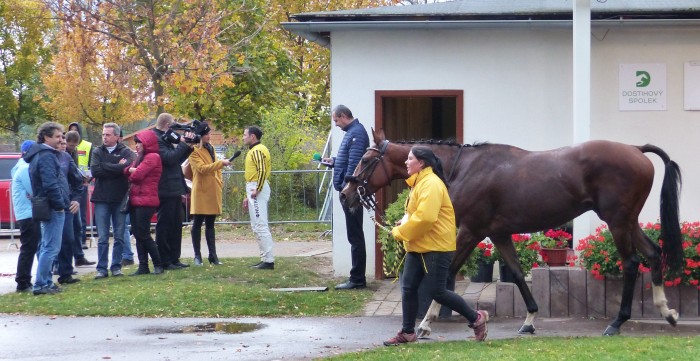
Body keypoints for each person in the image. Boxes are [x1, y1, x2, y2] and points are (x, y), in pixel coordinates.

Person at [383, 146, 488, 346]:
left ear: (421, 163)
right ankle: (407, 332)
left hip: (436, 247)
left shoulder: (430, 184)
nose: (406, 162)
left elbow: (426, 218)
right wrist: (404, 221)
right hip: (419, 245)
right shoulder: (419, 183)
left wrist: (400, 232)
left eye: (410, 159)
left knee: (438, 292)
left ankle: (476, 319)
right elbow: (417, 212)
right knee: (408, 288)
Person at [322, 105, 369, 289]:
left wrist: (346, 190)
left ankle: (357, 279)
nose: (336, 124)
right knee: (354, 235)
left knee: (355, 236)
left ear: (343, 116)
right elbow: (347, 161)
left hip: (350, 194)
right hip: (348, 191)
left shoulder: (356, 133)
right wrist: (333, 162)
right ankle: (357, 277)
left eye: (336, 120)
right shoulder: (352, 132)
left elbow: (354, 166)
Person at [24, 122, 73, 295]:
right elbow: (50, 183)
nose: (61, 140)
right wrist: (60, 204)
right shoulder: (46, 156)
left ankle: (45, 282)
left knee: (47, 245)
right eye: (58, 136)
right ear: (46, 137)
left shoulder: (40, 154)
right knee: (51, 247)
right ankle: (41, 284)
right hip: (51, 206)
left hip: (45, 204)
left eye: (62, 136)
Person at [90, 123, 135, 279]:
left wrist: (107, 167)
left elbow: (128, 167)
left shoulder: (126, 152)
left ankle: (116, 266)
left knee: (119, 235)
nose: (105, 137)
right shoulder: (97, 151)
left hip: (119, 199)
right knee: (102, 237)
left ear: (117, 136)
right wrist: (118, 167)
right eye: (103, 134)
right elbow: (95, 170)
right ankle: (101, 269)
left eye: (108, 135)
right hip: (101, 199)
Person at [152, 113, 194, 270]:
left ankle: (174, 258)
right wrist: (183, 145)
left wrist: (188, 146)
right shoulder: (157, 139)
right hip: (165, 187)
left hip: (174, 187)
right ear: (167, 125)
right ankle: (165, 259)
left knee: (176, 224)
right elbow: (168, 158)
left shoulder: (166, 137)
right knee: (165, 224)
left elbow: (177, 160)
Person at [189, 121, 230, 265]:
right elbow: (201, 168)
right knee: (197, 223)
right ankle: (197, 255)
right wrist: (221, 163)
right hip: (201, 191)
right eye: (206, 134)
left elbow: (215, 168)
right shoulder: (194, 151)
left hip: (213, 190)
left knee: (211, 224)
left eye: (209, 133)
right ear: (200, 136)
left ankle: (213, 255)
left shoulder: (211, 148)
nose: (209, 136)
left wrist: (219, 181)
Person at [125, 130, 164, 275]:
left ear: (147, 143)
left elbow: (137, 175)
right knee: (138, 233)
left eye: (139, 142)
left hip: (146, 200)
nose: (137, 145)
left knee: (143, 234)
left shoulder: (152, 157)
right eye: (136, 142)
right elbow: (129, 171)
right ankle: (143, 266)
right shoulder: (141, 157)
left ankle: (158, 264)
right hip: (136, 199)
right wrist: (131, 170)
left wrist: (131, 170)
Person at [54, 135, 86, 285]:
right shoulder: (43, 157)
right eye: (59, 142)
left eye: (64, 143)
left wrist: (76, 199)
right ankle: (46, 274)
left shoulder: (66, 158)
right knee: (49, 242)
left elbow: (78, 181)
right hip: (50, 205)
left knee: (68, 238)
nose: (62, 145)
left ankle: (66, 273)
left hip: (66, 204)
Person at [242, 126, 274, 270]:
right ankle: (264, 258)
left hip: (256, 187)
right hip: (253, 187)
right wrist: (247, 195)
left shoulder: (258, 150)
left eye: (245, 135)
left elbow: (261, 170)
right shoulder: (255, 150)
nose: (243, 137)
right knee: (256, 225)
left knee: (260, 224)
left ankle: (268, 260)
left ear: (252, 136)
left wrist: (258, 189)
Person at [11, 140, 39, 293]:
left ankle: (25, 280)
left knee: (31, 246)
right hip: (28, 213)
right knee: (29, 247)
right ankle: (22, 281)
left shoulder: (20, 167)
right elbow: (34, 190)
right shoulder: (24, 168)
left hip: (27, 212)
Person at [65, 131, 95, 267]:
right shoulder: (61, 154)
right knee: (68, 230)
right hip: (67, 194)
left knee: (77, 227)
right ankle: (64, 262)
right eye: (70, 145)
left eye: (74, 146)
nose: (72, 148)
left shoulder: (74, 152)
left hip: (74, 193)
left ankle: (79, 256)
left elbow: (74, 170)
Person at [68, 122, 92, 250]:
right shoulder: (64, 149)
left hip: (82, 182)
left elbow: (91, 163)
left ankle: (82, 240)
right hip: (72, 184)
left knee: (81, 215)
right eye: (71, 130)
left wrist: (88, 178)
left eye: (76, 130)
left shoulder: (87, 145)